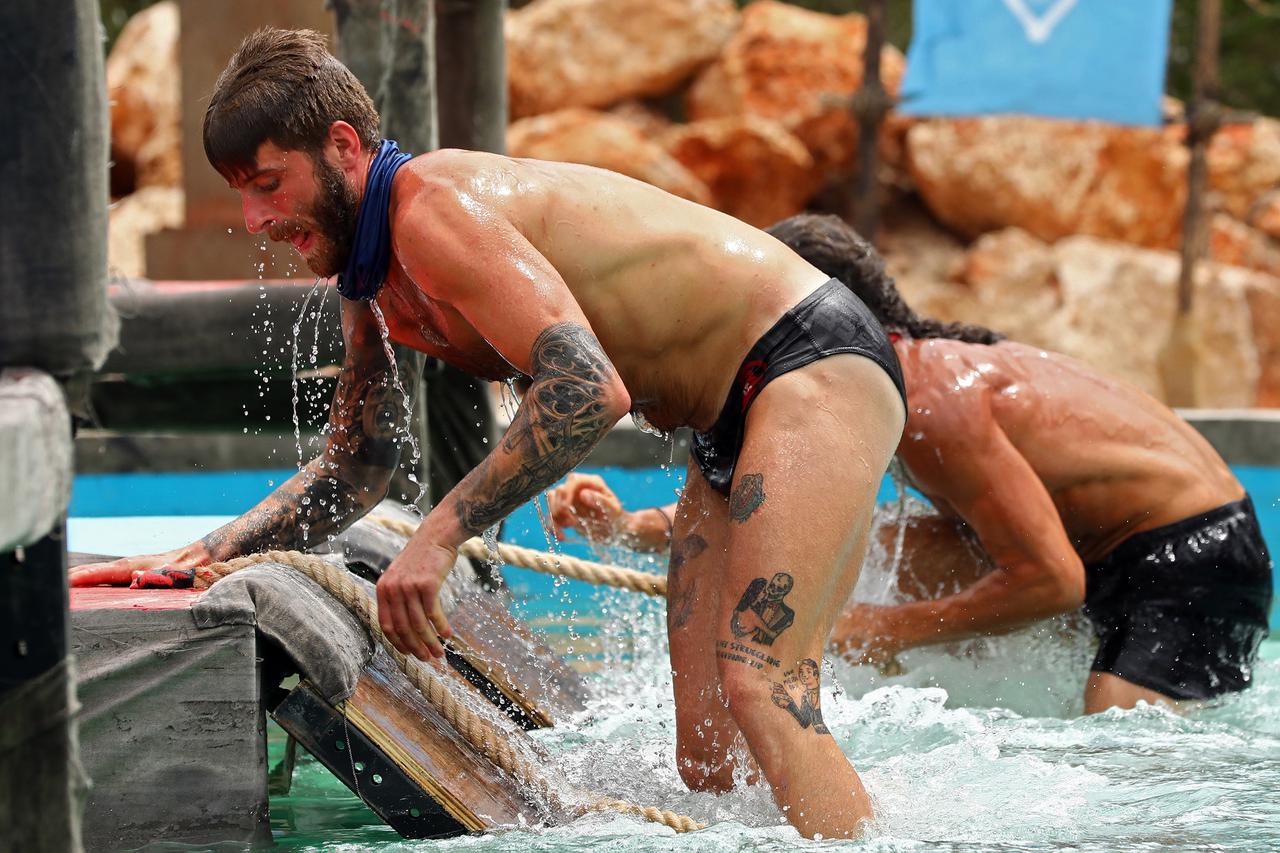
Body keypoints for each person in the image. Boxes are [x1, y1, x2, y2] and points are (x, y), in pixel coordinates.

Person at [69, 29, 908, 837]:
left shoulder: (434, 211)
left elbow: (586, 389)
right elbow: (356, 466)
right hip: (731, 418)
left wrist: (437, 535)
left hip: (807, 361)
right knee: (708, 759)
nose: (255, 219)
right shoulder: (369, 275)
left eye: (267, 183)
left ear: (343, 146)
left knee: (764, 688)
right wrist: (205, 552)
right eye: (242, 194)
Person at [548, 213, 1274, 714]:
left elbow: (1053, 580)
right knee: (876, 548)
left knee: (1115, 740)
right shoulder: (869, 388)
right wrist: (627, 526)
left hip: (1193, 554)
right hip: (1095, 542)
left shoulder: (929, 404)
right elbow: (771, 505)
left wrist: (882, 629)